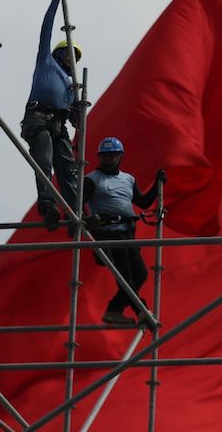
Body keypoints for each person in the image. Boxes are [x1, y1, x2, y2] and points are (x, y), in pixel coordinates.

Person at [83, 137, 166, 325]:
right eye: (104, 155)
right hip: (107, 232)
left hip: (127, 231)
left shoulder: (128, 179)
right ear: (99, 157)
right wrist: (86, 222)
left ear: (120, 156)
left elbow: (143, 202)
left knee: (140, 274)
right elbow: (77, 204)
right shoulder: (92, 179)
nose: (108, 159)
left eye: (112, 155)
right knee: (125, 276)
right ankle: (141, 310)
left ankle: (114, 309)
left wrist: (157, 183)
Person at [21, 0, 81, 230]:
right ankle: (47, 206)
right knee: (44, 160)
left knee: (67, 168)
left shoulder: (70, 85)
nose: (72, 60)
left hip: (59, 124)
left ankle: (75, 213)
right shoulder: (46, 61)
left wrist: (78, 108)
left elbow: (77, 122)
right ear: (60, 53)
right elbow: (46, 28)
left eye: (75, 59)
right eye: (70, 54)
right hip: (38, 118)